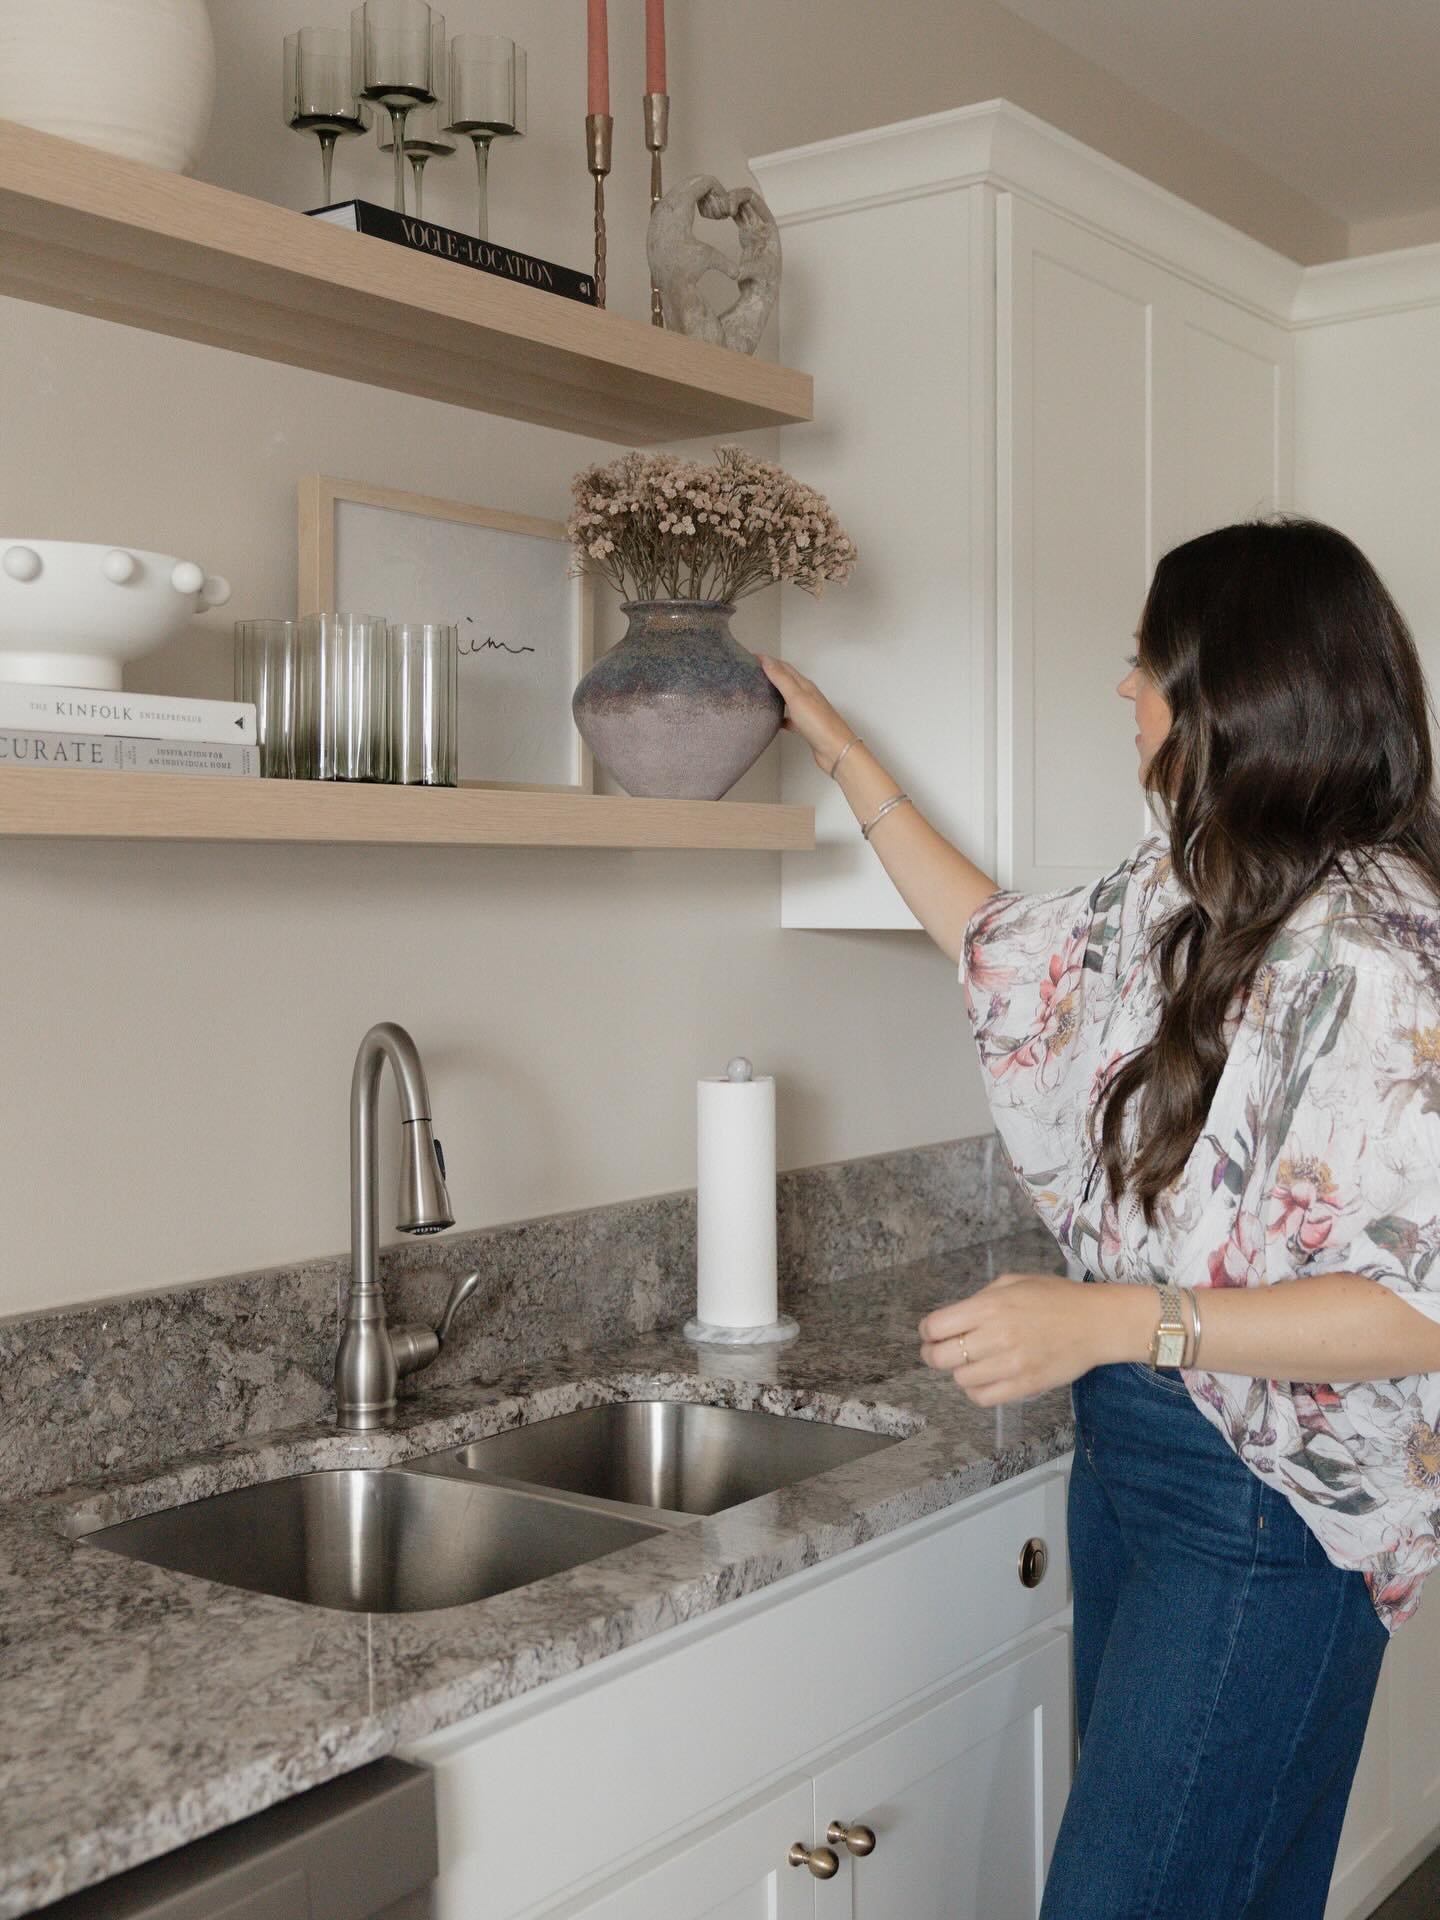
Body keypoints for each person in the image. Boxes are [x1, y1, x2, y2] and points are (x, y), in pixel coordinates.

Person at [757, 517, 1440, 1919]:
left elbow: (1424, 1306)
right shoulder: (1190, 885)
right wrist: (841, 754)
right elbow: (1007, 955)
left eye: (1149, 665)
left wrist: (1114, 1317)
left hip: (1270, 1505)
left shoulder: (1379, 952)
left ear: (1234, 698)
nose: (1124, 691)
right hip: (1135, 1449)